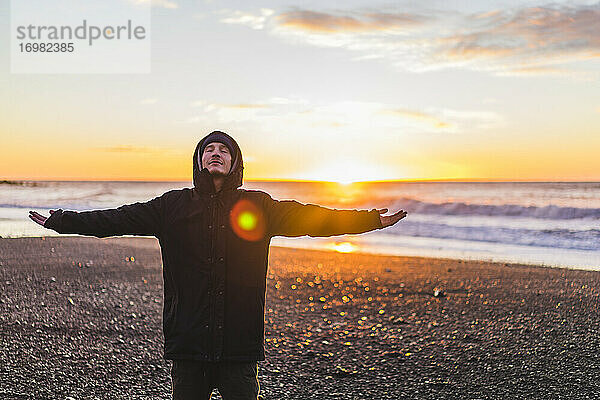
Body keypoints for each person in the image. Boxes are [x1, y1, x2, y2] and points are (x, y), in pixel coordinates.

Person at [29, 130, 407, 400]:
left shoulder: (258, 206)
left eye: (223, 150)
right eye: (208, 149)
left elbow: (314, 219)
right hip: (189, 343)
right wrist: (63, 220)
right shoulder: (171, 207)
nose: (215, 153)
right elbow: (115, 220)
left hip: (238, 347)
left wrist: (368, 219)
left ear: (235, 162)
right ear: (197, 160)